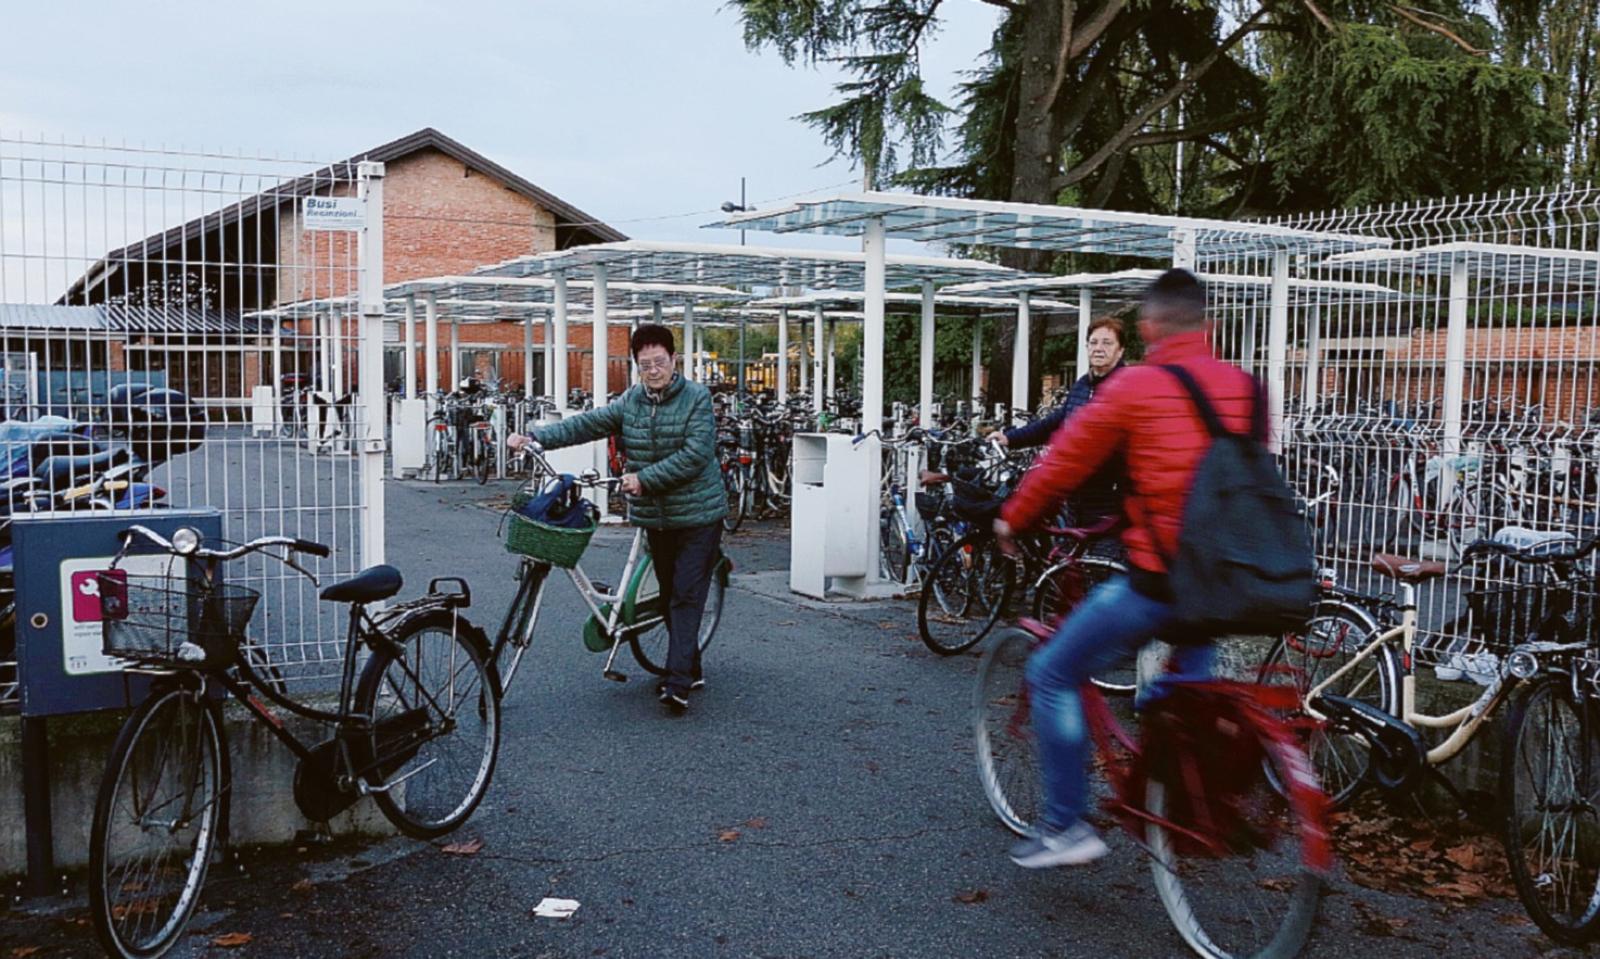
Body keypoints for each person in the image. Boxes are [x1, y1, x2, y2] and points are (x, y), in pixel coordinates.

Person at [993, 269, 1259, 868]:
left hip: (1162, 576)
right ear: (1208, 323)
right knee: (1186, 690)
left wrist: (1012, 517)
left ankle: (1066, 826)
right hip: (1231, 579)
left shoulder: (1137, 387)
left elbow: (1063, 463)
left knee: (1053, 671)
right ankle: (1178, 789)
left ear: (1146, 327)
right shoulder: (1245, 387)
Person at [509, 324, 726, 713]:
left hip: (698, 514)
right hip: (657, 517)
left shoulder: (696, 399)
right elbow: (588, 423)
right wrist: (536, 437)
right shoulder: (632, 401)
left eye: (660, 362)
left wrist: (645, 479)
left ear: (674, 360)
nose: (654, 370)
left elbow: (696, 454)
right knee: (667, 596)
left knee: (685, 593)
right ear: (636, 365)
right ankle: (689, 666)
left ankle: (676, 684)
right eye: (646, 364)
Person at [991, 316, 1126, 525]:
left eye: (1107, 343)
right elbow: (1056, 421)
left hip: (1109, 495)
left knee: (1100, 552)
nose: (1098, 348)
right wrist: (1010, 438)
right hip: (1076, 494)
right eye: (1093, 342)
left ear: (1120, 350)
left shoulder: (1125, 387)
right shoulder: (1083, 384)